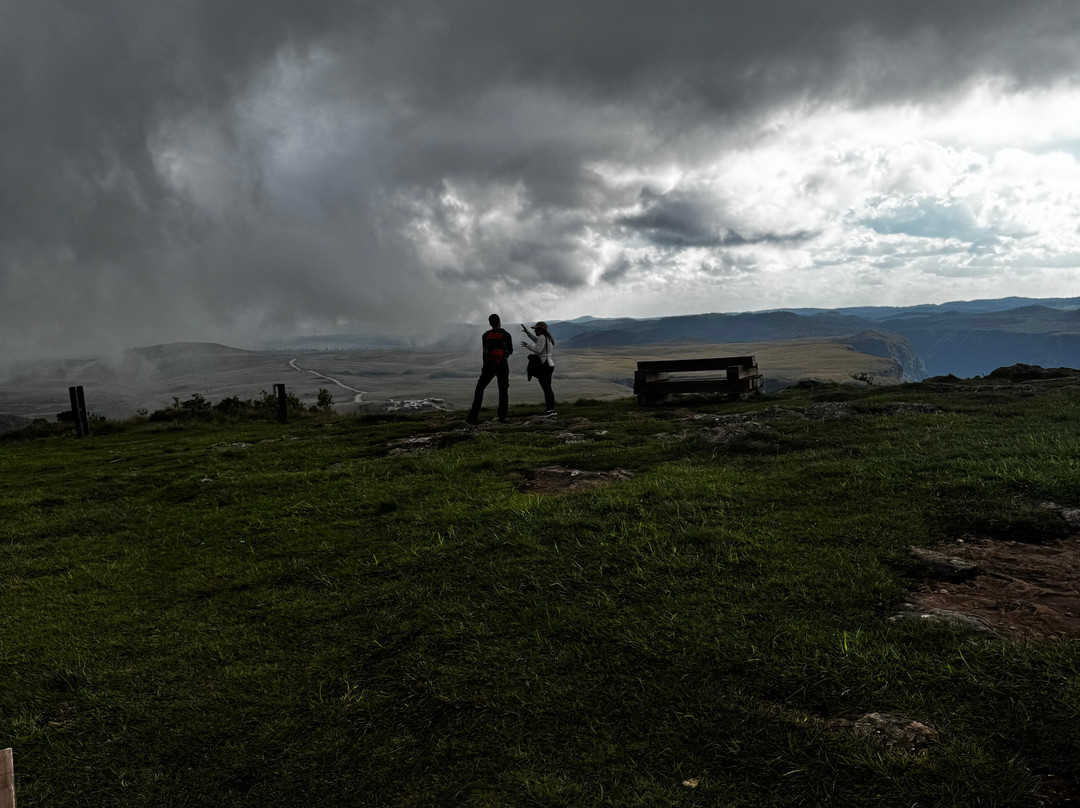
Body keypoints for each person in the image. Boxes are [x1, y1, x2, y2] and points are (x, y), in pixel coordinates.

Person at [466, 314, 514, 424]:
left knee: (480, 388)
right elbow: (510, 351)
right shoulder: (506, 334)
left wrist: (486, 366)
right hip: (502, 365)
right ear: (499, 322)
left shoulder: (485, 335)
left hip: (489, 366)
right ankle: (502, 417)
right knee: (503, 390)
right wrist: (503, 357)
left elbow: (485, 352)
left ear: (490, 323)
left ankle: (473, 415)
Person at [520, 321, 556, 415]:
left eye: (536, 329)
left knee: (546, 389)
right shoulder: (547, 338)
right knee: (548, 389)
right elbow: (536, 340)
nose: (535, 331)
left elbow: (538, 349)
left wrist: (527, 345)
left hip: (544, 365)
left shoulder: (542, 337)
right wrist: (527, 333)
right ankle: (551, 409)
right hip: (549, 364)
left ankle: (549, 410)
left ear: (541, 330)